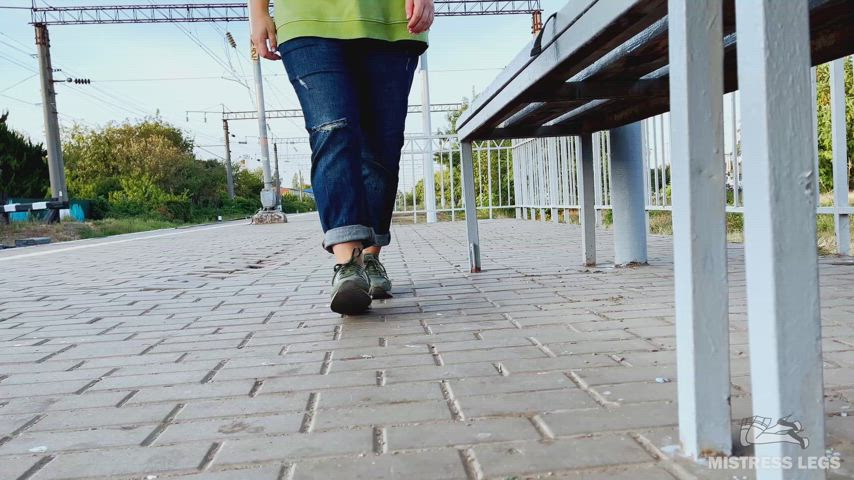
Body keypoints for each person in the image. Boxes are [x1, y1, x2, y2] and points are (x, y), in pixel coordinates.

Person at [249, 0, 433, 315]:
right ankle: (348, 262)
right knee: (332, 130)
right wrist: (258, 12)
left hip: (390, 18)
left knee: (382, 147)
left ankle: (371, 256)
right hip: (307, 17)